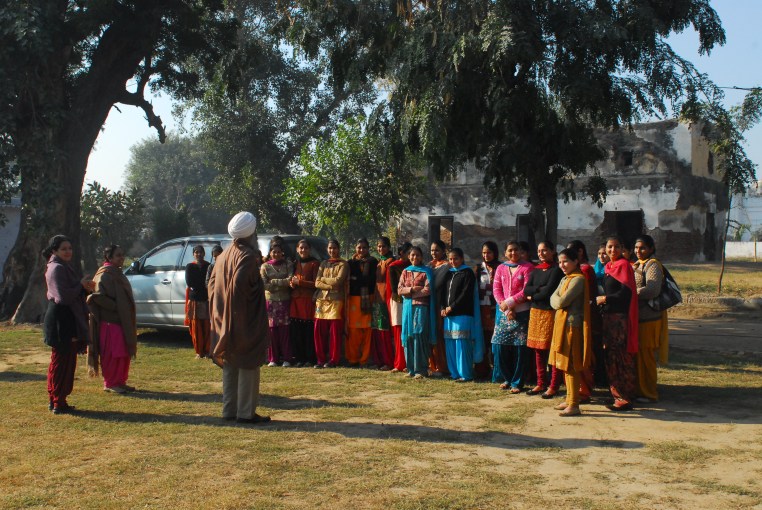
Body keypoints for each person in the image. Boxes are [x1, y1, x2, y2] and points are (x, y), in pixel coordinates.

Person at [208, 212, 271, 424]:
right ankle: (245, 413)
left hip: (224, 319)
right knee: (248, 364)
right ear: (251, 233)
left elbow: (212, 286)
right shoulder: (247, 257)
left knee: (231, 363)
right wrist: (243, 317)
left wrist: (220, 313)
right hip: (243, 319)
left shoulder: (223, 255)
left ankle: (229, 410)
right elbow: (240, 287)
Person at [42, 235, 93, 414]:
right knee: (62, 362)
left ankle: (56, 399)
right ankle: (58, 401)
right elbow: (63, 297)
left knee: (64, 360)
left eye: (69, 248)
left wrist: (83, 288)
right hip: (62, 319)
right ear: (54, 251)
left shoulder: (63, 266)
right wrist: (80, 286)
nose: (68, 252)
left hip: (67, 317)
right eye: (63, 249)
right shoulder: (56, 268)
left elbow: (71, 292)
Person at [87, 244, 138, 394]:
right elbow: (97, 297)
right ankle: (110, 383)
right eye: (118, 255)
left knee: (123, 352)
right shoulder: (104, 274)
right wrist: (116, 306)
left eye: (122, 255)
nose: (121, 258)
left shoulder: (117, 273)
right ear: (109, 258)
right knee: (112, 354)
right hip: (110, 322)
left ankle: (120, 381)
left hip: (122, 321)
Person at [596, 235, 639, 411]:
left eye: (616, 247)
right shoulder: (608, 267)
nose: (612, 250)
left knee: (620, 356)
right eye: (609, 247)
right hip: (608, 317)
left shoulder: (624, 266)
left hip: (619, 318)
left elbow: (625, 294)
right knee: (610, 356)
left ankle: (624, 396)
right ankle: (616, 394)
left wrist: (605, 298)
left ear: (622, 249)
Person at [549, 248, 592, 417]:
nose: (562, 265)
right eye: (560, 262)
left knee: (571, 365)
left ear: (575, 261)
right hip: (562, 325)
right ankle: (569, 399)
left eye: (565, 261)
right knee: (564, 364)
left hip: (572, 327)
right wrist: (557, 301)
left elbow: (561, 301)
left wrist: (557, 301)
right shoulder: (565, 278)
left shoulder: (578, 280)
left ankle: (574, 404)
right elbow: (554, 298)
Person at [491, 240, 534, 393]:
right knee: (500, 346)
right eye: (510, 250)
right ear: (505, 253)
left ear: (521, 251)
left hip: (522, 313)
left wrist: (510, 303)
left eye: (516, 250)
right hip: (504, 313)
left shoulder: (528, 267)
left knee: (520, 349)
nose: (513, 253)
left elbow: (526, 290)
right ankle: (507, 378)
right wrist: (507, 310)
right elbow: (496, 289)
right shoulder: (501, 268)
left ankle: (517, 382)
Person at [524, 241, 564, 398]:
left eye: (545, 250)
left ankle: (554, 385)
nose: (541, 253)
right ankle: (541, 383)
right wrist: (538, 290)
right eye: (539, 251)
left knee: (552, 350)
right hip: (535, 312)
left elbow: (548, 292)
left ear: (553, 251)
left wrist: (533, 295)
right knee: (538, 350)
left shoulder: (556, 270)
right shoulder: (536, 269)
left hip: (549, 312)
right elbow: (526, 289)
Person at [633, 235, 669, 403]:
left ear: (651, 249)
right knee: (638, 357)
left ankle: (649, 392)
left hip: (649, 319)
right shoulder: (637, 265)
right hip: (638, 318)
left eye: (642, 248)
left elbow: (653, 289)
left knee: (646, 357)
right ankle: (639, 389)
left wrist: (631, 292)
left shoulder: (652, 265)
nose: (638, 251)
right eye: (636, 248)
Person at [439, 248, 483, 382]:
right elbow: (443, 292)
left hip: (462, 314)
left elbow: (466, 293)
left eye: (456, 258)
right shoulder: (449, 273)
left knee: (462, 344)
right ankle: (454, 373)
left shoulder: (467, 273)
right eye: (450, 259)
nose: (453, 261)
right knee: (450, 343)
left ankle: (465, 374)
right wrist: (443, 307)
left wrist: (451, 307)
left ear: (462, 258)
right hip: (448, 316)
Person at [567, 239, 605, 394]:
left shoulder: (585, 270)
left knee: (588, 349)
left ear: (580, 252)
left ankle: (590, 382)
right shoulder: (574, 271)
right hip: (576, 314)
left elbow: (587, 295)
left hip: (586, 315)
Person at [398, 246, 436, 378]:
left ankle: (421, 369)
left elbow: (428, 290)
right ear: (409, 256)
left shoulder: (426, 271)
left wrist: (410, 293)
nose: (415, 257)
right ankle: (411, 369)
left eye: (418, 255)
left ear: (421, 257)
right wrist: (413, 289)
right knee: (408, 335)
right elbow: (400, 289)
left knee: (419, 334)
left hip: (421, 307)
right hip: (408, 307)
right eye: (412, 255)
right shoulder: (405, 271)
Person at [313, 239, 348, 368]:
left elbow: (339, 281)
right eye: (330, 248)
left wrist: (323, 279)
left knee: (334, 332)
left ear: (338, 249)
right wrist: (329, 284)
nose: (332, 250)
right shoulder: (323, 263)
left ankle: (334, 359)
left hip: (336, 300)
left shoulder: (343, 264)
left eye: (334, 248)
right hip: (321, 300)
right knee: (318, 331)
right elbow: (317, 282)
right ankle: (320, 359)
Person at [345, 238, 378, 367]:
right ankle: (353, 359)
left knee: (367, 330)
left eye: (364, 248)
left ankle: (365, 359)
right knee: (353, 331)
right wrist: (361, 280)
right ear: (355, 248)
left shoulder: (373, 261)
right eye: (359, 247)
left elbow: (371, 280)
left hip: (368, 298)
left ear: (368, 249)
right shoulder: (350, 262)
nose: (361, 250)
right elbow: (350, 280)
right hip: (354, 299)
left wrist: (357, 279)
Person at [289, 239, 320, 367]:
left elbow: (316, 283)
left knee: (308, 331)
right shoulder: (294, 263)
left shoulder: (314, 263)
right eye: (301, 248)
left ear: (309, 249)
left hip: (308, 300)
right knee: (297, 330)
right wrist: (292, 283)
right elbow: (291, 279)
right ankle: (299, 358)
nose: (303, 250)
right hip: (295, 301)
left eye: (306, 248)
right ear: (297, 249)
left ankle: (310, 358)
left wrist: (300, 282)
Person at [261, 243, 294, 367]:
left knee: (284, 330)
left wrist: (274, 282)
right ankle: (273, 359)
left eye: (279, 252)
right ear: (270, 253)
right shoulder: (265, 266)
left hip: (284, 300)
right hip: (271, 302)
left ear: (282, 253)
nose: (276, 254)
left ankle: (287, 358)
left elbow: (290, 280)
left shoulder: (288, 264)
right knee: (272, 330)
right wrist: (281, 284)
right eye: (274, 252)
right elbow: (264, 284)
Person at [473, 241, 499, 380]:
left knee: (495, 340)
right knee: (482, 339)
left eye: (489, 252)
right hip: (481, 309)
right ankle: (482, 370)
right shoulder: (478, 269)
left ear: (495, 253)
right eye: (484, 252)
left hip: (496, 308)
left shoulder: (501, 267)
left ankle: (497, 370)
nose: (486, 255)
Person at [386, 242, 412, 373]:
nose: (411, 255)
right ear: (401, 253)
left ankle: (409, 363)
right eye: (409, 253)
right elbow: (393, 288)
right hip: (398, 301)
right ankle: (399, 363)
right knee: (398, 332)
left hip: (411, 301)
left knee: (409, 332)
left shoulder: (414, 266)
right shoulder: (393, 266)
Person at [371, 237, 396, 370]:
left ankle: (387, 361)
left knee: (384, 331)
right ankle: (378, 360)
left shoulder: (391, 262)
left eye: (384, 246)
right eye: (379, 246)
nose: (381, 249)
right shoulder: (379, 261)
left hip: (385, 299)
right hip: (376, 299)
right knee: (376, 330)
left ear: (389, 247)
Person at [427, 240, 450, 377]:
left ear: (443, 251)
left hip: (439, 304)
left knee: (439, 335)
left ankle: (442, 367)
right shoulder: (429, 265)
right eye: (432, 250)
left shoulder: (447, 266)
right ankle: (432, 365)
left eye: (437, 250)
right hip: (429, 304)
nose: (434, 253)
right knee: (430, 334)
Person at [185, 245, 211, 358]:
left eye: (200, 252)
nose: (198, 254)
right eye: (196, 252)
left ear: (204, 253)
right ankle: (199, 352)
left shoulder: (208, 266)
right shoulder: (190, 266)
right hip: (194, 300)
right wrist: (203, 285)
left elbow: (210, 281)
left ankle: (208, 351)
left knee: (207, 326)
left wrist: (203, 286)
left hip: (206, 299)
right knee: (196, 327)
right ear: (193, 254)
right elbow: (190, 282)